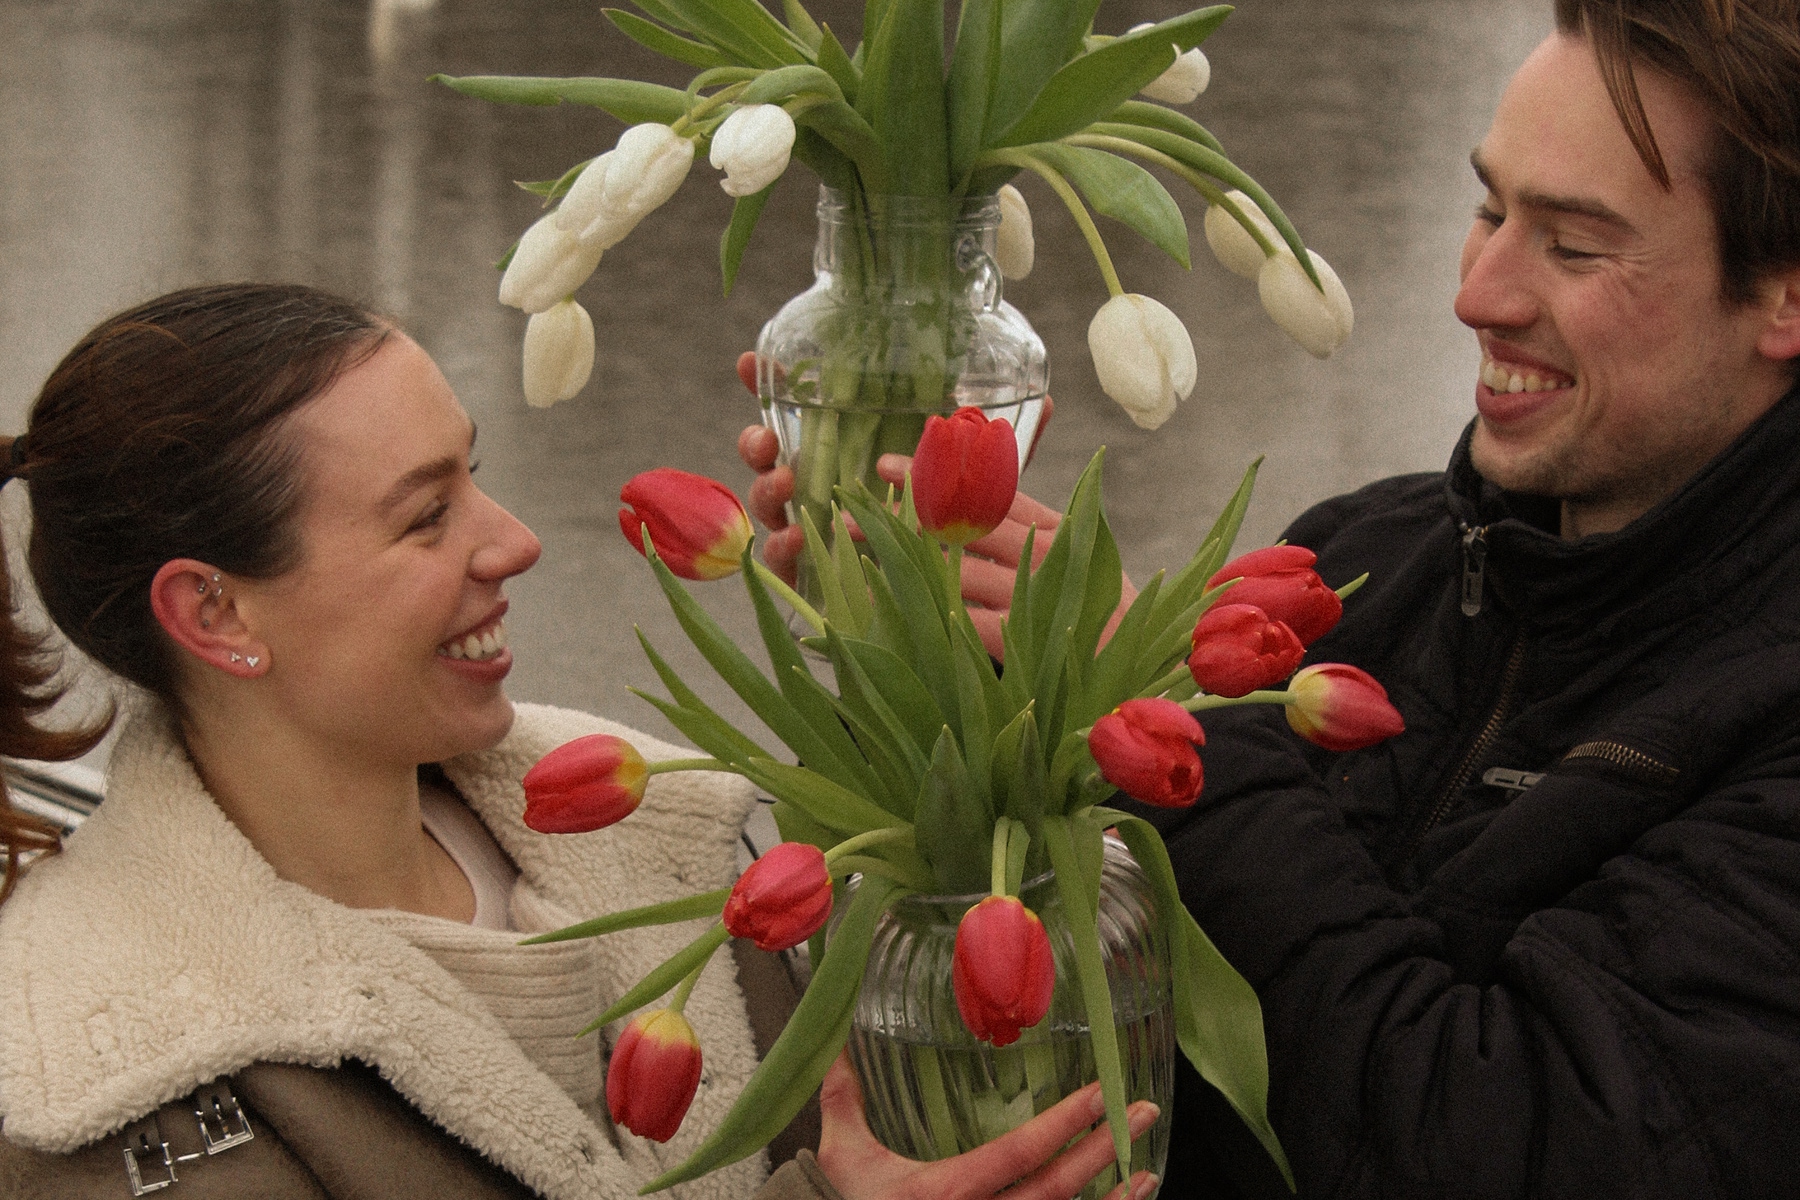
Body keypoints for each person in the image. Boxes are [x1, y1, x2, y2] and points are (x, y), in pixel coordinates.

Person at [742, 1, 1800, 1194]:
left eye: (1574, 246)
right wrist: (934, 643)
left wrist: (1174, 722)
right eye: (1491, 210)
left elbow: (1510, 1140)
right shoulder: (1363, 558)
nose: (1479, 295)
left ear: (1784, 299)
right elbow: (1072, 985)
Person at [0, 284, 1158, 1199]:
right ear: (216, 613)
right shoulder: (102, 1068)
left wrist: (946, 643)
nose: (513, 542)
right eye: (425, 516)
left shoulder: (671, 832)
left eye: (476, 479)